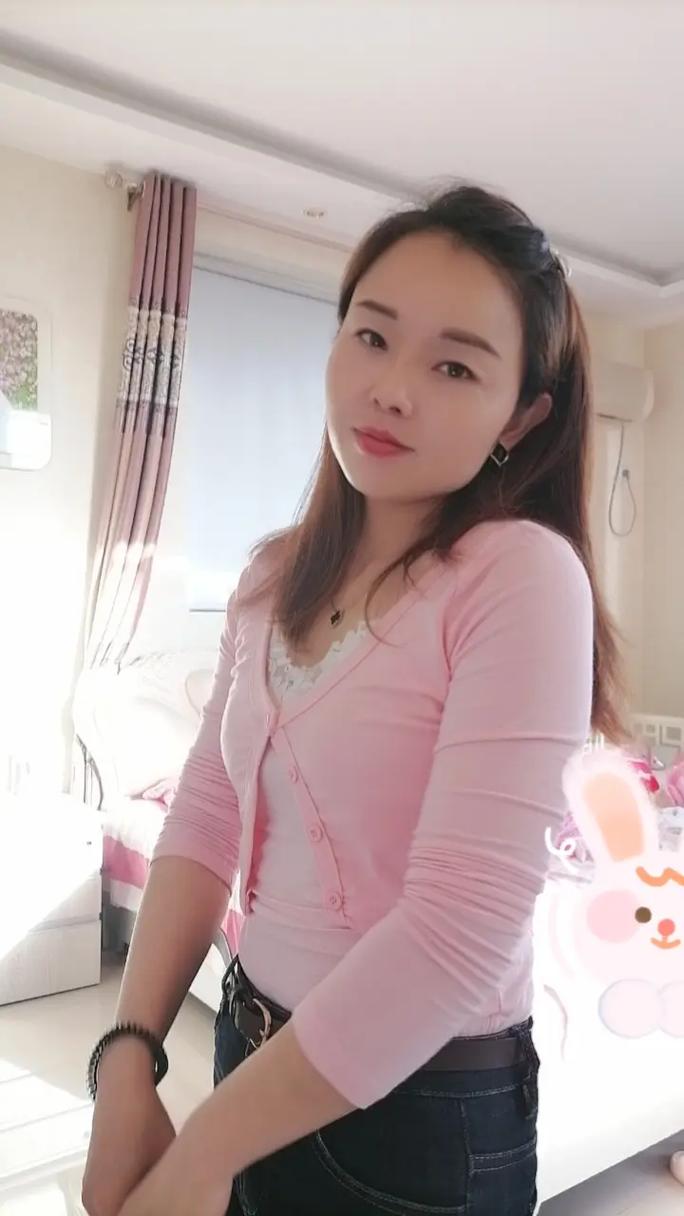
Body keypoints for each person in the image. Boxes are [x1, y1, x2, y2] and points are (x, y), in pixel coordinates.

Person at [82, 184, 625, 1216]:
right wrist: (128, 1057)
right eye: (372, 336)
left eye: (455, 365)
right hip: (250, 1045)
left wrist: (202, 1152)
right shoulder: (270, 576)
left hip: (418, 1119)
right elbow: (206, 813)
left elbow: (458, 934)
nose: (391, 390)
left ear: (523, 416)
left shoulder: (518, 576)